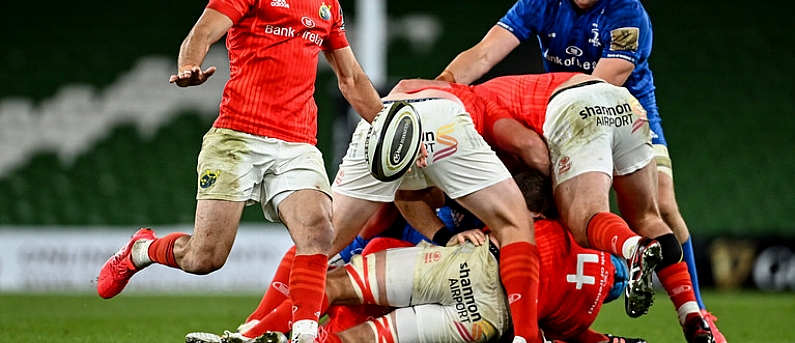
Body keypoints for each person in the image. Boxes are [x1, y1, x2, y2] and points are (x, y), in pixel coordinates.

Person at [96, 0, 383, 343]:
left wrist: (386, 126)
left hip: (297, 143)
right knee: (205, 258)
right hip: (238, 137)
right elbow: (201, 34)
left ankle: (306, 334)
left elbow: (351, 78)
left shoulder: (327, 2)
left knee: (319, 231)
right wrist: (190, 66)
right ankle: (140, 250)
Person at [434, 0, 725, 343]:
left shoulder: (627, 11)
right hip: (567, 120)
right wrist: (440, 86)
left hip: (621, 115)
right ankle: (561, 313)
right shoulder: (543, 2)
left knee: (660, 205)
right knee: (558, 207)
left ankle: (696, 312)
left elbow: (605, 82)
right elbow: (483, 53)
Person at [185, 170, 647, 343]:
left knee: (326, 277)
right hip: (487, 321)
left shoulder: (543, 227)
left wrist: (446, 236)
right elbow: (562, 334)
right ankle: (266, 335)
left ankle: (258, 336)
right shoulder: (577, 317)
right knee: (361, 337)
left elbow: (404, 197)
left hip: (467, 265)